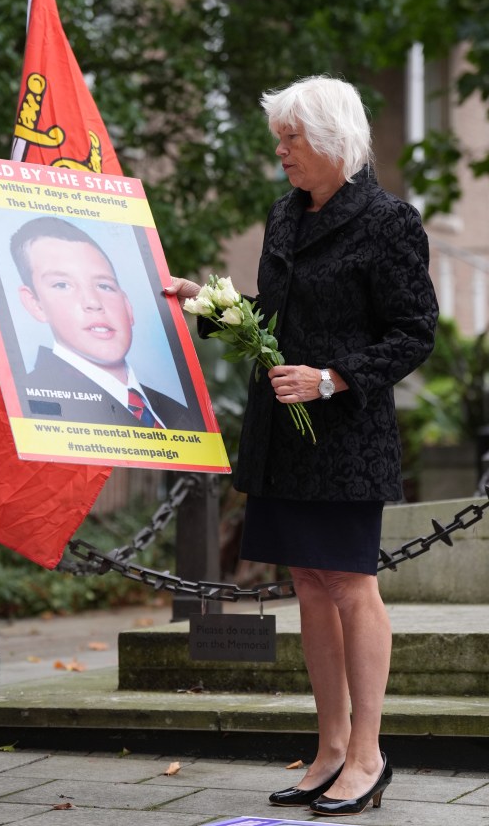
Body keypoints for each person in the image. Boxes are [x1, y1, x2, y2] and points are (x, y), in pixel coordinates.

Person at [165, 75, 438, 816]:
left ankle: (369, 755)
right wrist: (208, 306)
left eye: (292, 136)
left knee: (350, 586)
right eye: (278, 136)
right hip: (283, 439)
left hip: (345, 438)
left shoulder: (389, 221)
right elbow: (272, 323)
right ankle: (328, 749)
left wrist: (333, 378)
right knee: (310, 590)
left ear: (334, 140)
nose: (280, 149)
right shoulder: (283, 216)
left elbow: (414, 332)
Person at [11, 216, 199, 430]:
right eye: (62, 285)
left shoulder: (181, 413)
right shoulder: (32, 406)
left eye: (105, 286)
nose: (93, 302)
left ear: (128, 305)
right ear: (34, 303)